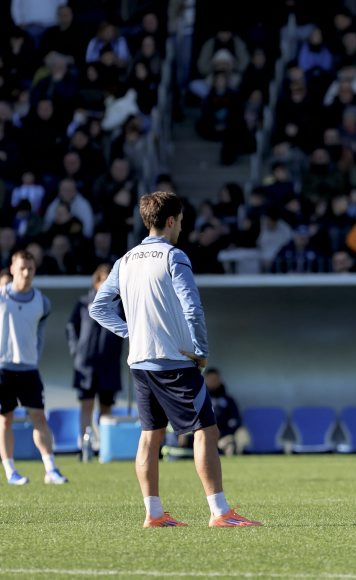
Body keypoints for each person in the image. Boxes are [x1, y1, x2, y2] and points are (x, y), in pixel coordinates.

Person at [89, 192, 261, 528]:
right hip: (175, 361)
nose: (181, 227)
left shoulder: (125, 260)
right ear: (170, 221)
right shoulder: (174, 256)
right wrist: (201, 351)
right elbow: (192, 307)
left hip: (140, 363)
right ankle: (220, 512)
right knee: (206, 430)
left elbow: (99, 307)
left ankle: (154, 514)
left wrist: (132, 333)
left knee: (149, 435)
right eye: (180, 221)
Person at [0, 251, 68, 485]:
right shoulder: (1, 296)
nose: (26, 273)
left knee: (39, 416)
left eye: (30, 268)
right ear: (12, 269)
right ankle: (10, 471)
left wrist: (34, 357)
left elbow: (39, 334)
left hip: (29, 369)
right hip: (3, 368)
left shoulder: (42, 302)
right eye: (22, 268)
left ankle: (51, 469)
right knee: (5, 419)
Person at [67, 263, 124, 448]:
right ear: (96, 282)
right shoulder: (84, 303)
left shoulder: (120, 305)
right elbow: (71, 327)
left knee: (106, 406)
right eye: (104, 281)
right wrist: (76, 350)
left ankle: (105, 446)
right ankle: (85, 446)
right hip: (86, 364)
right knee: (87, 404)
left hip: (109, 364)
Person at [203, 368, 248, 456]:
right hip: (205, 435)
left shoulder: (228, 400)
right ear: (206, 380)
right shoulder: (200, 399)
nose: (213, 381)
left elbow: (235, 420)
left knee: (241, 435)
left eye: (215, 379)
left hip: (224, 435)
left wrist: (222, 433)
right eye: (211, 379)